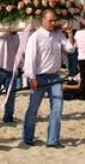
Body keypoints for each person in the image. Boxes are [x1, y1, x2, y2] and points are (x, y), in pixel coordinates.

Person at [22, 9, 75, 148]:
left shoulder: (58, 35)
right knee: (33, 108)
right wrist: (31, 77)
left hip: (55, 76)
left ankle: (52, 140)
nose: (53, 23)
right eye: (50, 20)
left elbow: (70, 49)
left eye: (54, 20)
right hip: (39, 77)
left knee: (57, 108)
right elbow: (30, 58)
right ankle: (28, 137)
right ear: (43, 20)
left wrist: (70, 34)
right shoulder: (36, 37)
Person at [0, 31, 20, 123]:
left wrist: (18, 67)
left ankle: (8, 117)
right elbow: (3, 34)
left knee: (10, 96)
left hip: (11, 68)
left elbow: (17, 53)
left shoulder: (16, 37)